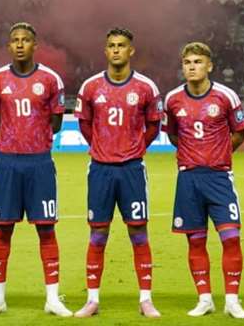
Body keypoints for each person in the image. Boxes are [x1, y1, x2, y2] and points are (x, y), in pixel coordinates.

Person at [0, 23, 71, 317]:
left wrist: (34, 138)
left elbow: (56, 122)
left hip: (40, 162)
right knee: (2, 229)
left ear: (34, 45)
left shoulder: (50, 80)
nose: (19, 44)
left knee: (46, 229)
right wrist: (7, 139)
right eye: (15, 40)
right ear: (8, 46)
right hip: (7, 164)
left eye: (25, 40)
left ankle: (52, 299)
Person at [72, 27, 163, 318]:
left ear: (130, 50)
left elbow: (153, 126)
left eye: (121, 45)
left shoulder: (146, 87)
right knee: (98, 233)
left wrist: (135, 148)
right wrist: (101, 147)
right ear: (105, 50)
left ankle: (146, 299)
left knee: (138, 231)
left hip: (132, 170)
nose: (116, 50)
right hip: (100, 169)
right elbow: (85, 125)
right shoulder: (91, 87)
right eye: (111, 45)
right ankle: (92, 300)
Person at [163, 42, 244, 318]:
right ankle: (204, 299)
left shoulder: (226, 96)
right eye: (188, 62)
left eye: (198, 62)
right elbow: (173, 134)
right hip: (188, 179)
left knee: (231, 238)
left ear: (209, 66)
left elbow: (239, 133)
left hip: (219, 178)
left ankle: (232, 300)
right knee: (195, 242)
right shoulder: (173, 99)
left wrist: (219, 154)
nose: (192, 67)